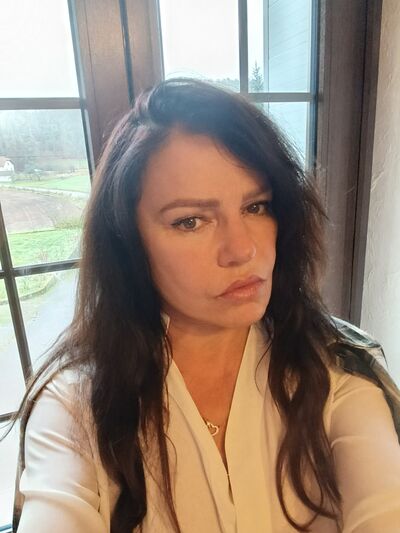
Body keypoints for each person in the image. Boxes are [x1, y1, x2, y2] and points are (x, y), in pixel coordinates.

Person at [8, 79, 400, 533]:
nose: (242, 250)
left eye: (256, 207)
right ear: (128, 242)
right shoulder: (75, 406)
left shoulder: (335, 370)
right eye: (190, 221)